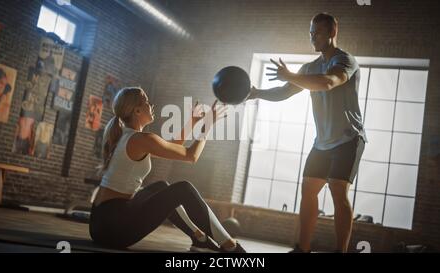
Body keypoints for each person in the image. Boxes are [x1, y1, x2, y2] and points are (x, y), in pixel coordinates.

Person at [249, 13, 366, 253]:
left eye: (317, 33)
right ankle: (303, 249)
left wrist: (292, 75)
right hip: (322, 142)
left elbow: (328, 82)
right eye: (310, 33)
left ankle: (341, 251)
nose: (312, 38)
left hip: (348, 138)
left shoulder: (345, 61)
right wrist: (256, 92)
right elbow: (283, 92)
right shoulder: (310, 67)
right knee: (308, 189)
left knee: (337, 189)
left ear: (332, 33)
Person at [89, 87, 247, 253]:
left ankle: (199, 238)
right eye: (147, 103)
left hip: (101, 225)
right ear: (137, 110)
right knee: (183, 189)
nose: (152, 105)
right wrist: (207, 126)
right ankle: (231, 246)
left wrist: (192, 123)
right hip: (114, 230)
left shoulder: (126, 136)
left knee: (161, 187)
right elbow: (191, 156)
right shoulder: (141, 139)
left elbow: (174, 148)